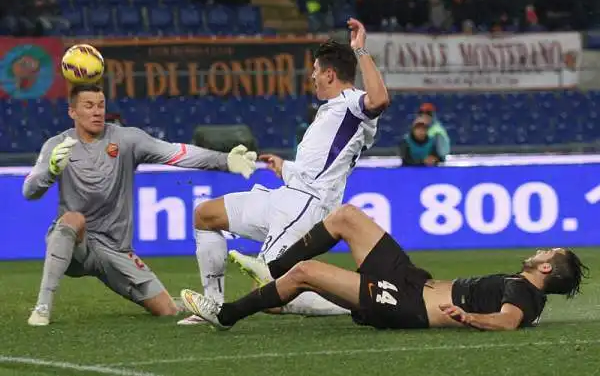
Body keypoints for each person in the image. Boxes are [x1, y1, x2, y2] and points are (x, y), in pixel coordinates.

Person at [179, 18, 390, 325]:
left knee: (272, 295)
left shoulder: (352, 103)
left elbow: (380, 99)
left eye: (316, 71)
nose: (313, 77)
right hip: (286, 196)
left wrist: (360, 51)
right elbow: (317, 167)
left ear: (330, 74)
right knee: (205, 214)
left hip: (305, 207)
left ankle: (361, 305)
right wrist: (285, 166)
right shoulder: (330, 110)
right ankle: (212, 302)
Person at [23, 84, 257, 326]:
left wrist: (224, 160)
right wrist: (50, 172)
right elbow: (29, 191)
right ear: (72, 112)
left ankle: (198, 306)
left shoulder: (126, 139)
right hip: (77, 246)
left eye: (100, 105)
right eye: (88, 106)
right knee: (73, 219)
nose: (97, 112)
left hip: (116, 250)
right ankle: (42, 307)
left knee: (166, 309)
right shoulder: (57, 145)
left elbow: (177, 152)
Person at [181, 204, 588, 331]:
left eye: (547, 253)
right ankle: (273, 268)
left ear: (548, 270)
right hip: (413, 280)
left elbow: (507, 322)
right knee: (346, 217)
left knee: (307, 273)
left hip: (406, 304)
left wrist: (467, 316)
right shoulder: (523, 286)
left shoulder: (525, 294)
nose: (540, 251)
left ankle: (226, 315)